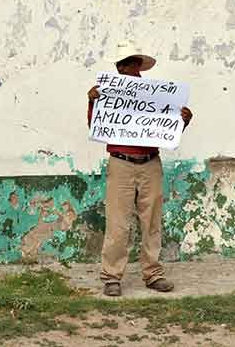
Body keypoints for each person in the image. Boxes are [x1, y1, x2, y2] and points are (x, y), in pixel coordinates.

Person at [87, 41, 193, 296]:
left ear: (138, 66)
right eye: (122, 64)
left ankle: (153, 273)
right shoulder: (107, 93)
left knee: (152, 221)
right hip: (121, 162)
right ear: (118, 67)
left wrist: (182, 122)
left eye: (131, 63)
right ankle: (112, 276)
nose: (126, 68)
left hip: (150, 163)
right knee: (117, 222)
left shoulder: (157, 96)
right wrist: (92, 102)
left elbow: (166, 132)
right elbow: (95, 125)